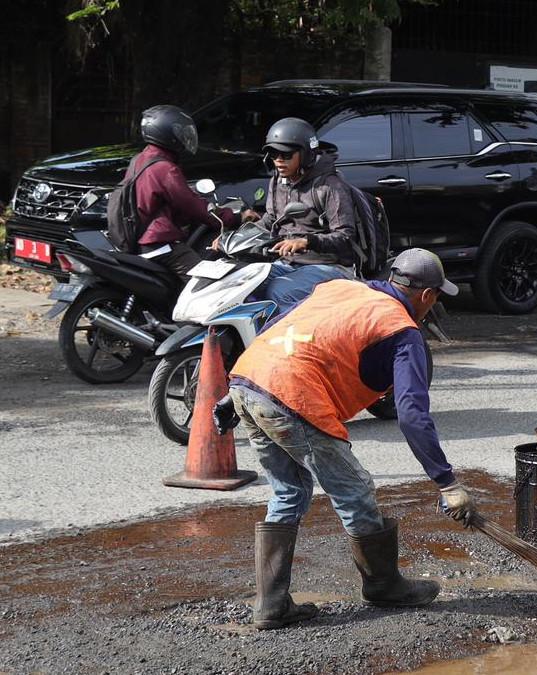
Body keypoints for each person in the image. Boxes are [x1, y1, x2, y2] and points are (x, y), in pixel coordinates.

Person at [217, 248, 476, 629]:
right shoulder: (402, 330)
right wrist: (446, 482)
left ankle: (271, 605)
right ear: (426, 295)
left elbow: (280, 328)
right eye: (436, 296)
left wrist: (232, 394)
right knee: (355, 491)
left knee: (289, 492)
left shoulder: (340, 289)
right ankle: (383, 584)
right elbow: (412, 413)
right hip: (292, 396)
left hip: (247, 381)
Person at [236, 117, 360, 312]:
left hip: (330, 266)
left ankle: (292, 340)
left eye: (285, 154)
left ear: (305, 154)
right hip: (288, 263)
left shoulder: (330, 186)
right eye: (273, 153)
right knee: (240, 283)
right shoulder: (278, 181)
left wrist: (307, 241)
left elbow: (345, 237)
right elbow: (271, 219)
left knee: (279, 292)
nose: (278, 160)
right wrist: (234, 237)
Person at [127, 105, 241, 280]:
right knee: (204, 282)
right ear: (166, 133)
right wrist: (231, 217)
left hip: (135, 237)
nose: (184, 137)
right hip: (159, 242)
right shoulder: (165, 168)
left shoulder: (140, 160)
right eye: (179, 131)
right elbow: (193, 206)